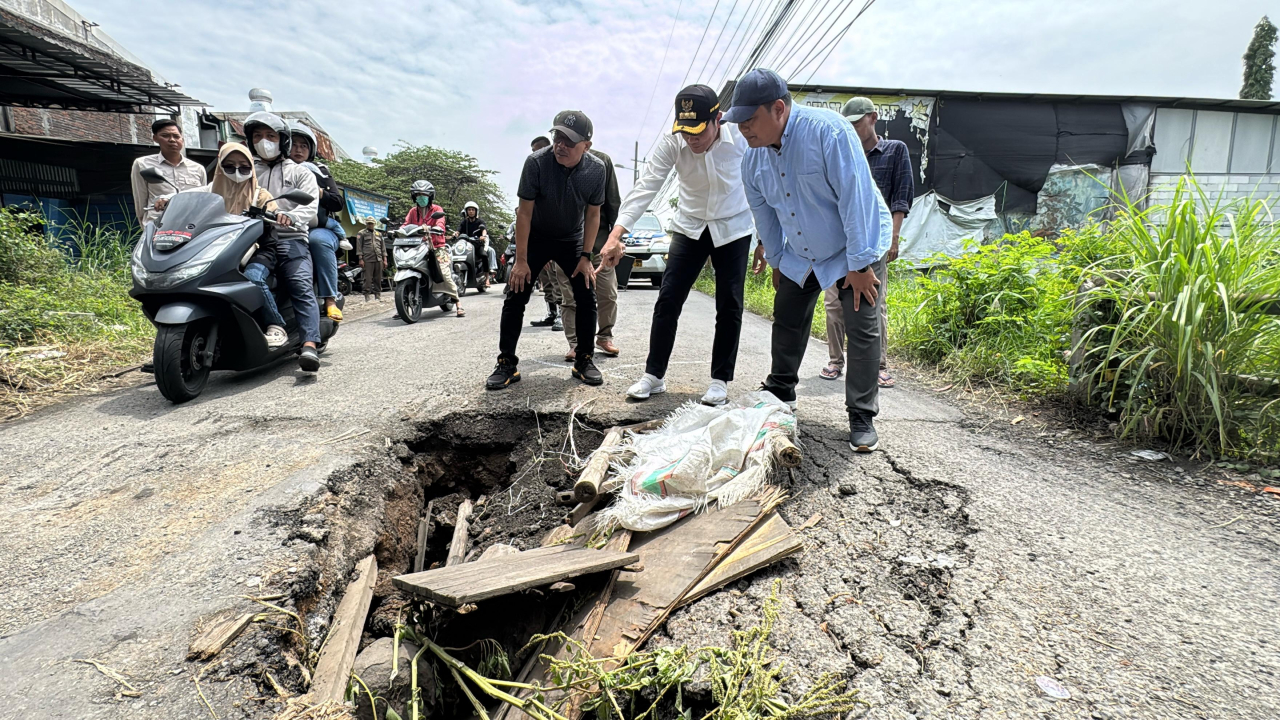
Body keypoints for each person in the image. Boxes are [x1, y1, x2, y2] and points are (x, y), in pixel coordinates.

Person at [727, 69, 892, 452]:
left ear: (779, 109)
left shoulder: (829, 133)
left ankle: (862, 414)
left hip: (855, 242)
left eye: (750, 121)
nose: (744, 131)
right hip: (803, 249)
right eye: (739, 123)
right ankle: (781, 391)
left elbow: (857, 198)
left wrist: (861, 264)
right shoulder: (753, 161)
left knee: (861, 321)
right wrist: (778, 262)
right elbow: (764, 215)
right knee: (787, 313)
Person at [600, 84, 752, 407]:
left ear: (718, 119)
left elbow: (763, 183)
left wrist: (767, 240)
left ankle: (719, 380)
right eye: (685, 132)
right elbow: (647, 186)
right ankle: (654, 375)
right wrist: (617, 233)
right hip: (690, 225)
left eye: (698, 131)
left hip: (733, 226)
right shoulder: (674, 143)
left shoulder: (741, 138)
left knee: (729, 304)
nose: (691, 139)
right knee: (668, 298)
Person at [487, 110, 606, 391]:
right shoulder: (536, 164)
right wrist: (521, 260)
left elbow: (593, 216)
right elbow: (524, 214)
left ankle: (584, 359)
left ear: (586, 146)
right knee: (516, 293)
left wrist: (586, 257)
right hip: (537, 235)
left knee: (586, 293)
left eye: (569, 141)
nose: (560, 146)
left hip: (572, 238)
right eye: (558, 138)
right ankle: (506, 362)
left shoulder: (596, 170)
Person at [817, 97, 914, 387]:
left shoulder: (895, 151)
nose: (853, 130)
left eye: (857, 124)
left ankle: (878, 365)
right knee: (833, 303)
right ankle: (835, 361)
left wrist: (893, 239)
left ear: (872, 118)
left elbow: (901, 197)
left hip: (875, 241)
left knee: (873, 303)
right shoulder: (841, 154)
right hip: (840, 241)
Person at [244, 111, 324, 372]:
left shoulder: (300, 173)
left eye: (270, 136)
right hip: (252, 240)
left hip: (291, 239)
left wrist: (289, 215)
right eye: (257, 136)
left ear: (283, 141)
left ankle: (310, 344)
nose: (263, 141)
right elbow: (215, 189)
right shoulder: (245, 171)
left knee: (300, 285)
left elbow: (310, 205)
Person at [553, 146, 621, 362]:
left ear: (586, 142)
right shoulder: (553, 161)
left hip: (599, 244)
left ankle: (604, 336)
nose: (564, 145)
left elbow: (613, 202)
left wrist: (616, 239)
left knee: (607, 294)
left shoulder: (602, 162)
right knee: (569, 298)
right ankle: (575, 343)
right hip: (565, 244)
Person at [288, 120, 346, 323]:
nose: (298, 150)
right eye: (294, 144)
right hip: (281, 227)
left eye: (303, 146)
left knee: (318, 241)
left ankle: (330, 299)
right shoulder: (277, 169)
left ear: (310, 149)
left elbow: (338, 202)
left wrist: (318, 191)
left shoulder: (319, 170)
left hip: (316, 227)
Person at [130, 118, 207, 226]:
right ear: (155, 138)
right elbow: (140, 204)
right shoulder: (142, 164)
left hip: (190, 227)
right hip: (158, 228)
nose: (172, 140)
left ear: (182, 139)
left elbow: (203, 199)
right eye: (165, 136)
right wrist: (147, 229)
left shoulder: (198, 168)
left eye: (176, 136)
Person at [403, 179, 463, 316]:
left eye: (424, 195)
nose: (421, 198)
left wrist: (438, 228)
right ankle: (403, 303)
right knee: (407, 266)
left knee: (444, 273)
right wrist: (397, 231)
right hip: (417, 246)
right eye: (417, 195)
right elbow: (405, 225)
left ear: (430, 196)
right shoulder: (413, 211)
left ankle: (458, 302)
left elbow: (441, 223)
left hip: (437, 247)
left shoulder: (437, 210)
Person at [528, 135, 560, 329]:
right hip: (540, 239)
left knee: (558, 281)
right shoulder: (534, 172)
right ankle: (552, 313)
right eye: (533, 151)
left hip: (558, 239)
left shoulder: (559, 172)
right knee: (546, 280)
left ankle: (561, 316)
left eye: (538, 150)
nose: (535, 155)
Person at [456, 201, 493, 288]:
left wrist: (483, 236)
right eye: (469, 210)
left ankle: (487, 278)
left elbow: (483, 229)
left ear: (476, 211)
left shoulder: (479, 221)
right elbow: (458, 230)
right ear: (466, 211)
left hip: (477, 245)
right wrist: (455, 234)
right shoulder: (464, 222)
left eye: (473, 210)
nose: (471, 211)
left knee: (483, 255)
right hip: (466, 245)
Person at [355, 217, 386, 302]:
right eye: (368, 223)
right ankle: (367, 296)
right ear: (366, 224)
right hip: (367, 259)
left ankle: (378, 295)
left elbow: (383, 248)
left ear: (374, 224)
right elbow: (359, 247)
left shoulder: (379, 234)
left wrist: (385, 259)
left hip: (378, 258)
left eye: (371, 223)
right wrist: (360, 259)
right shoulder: (361, 233)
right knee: (367, 278)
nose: (370, 225)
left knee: (378, 278)